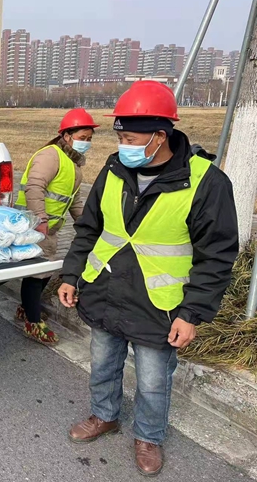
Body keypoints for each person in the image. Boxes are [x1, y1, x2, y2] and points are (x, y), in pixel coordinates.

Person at [57, 81, 238, 476]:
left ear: (160, 136)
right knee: (102, 364)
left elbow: (217, 256)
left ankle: (149, 437)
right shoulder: (114, 169)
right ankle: (104, 415)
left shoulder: (205, 182)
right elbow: (89, 228)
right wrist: (71, 275)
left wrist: (191, 313)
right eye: (120, 137)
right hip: (106, 290)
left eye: (130, 138)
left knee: (154, 380)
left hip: (160, 305)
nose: (123, 145)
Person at [15, 108, 99, 344]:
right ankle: (32, 321)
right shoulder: (50, 156)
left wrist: (86, 225)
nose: (86, 143)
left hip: (49, 228)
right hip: (34, 225)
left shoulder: (72, 164)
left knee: (43, 272)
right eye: (82, 138)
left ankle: (26, 308)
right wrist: (40, 219)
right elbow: (34, 187)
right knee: (37, 274)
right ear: (67, 135)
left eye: (89, 139)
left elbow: (74, 200)